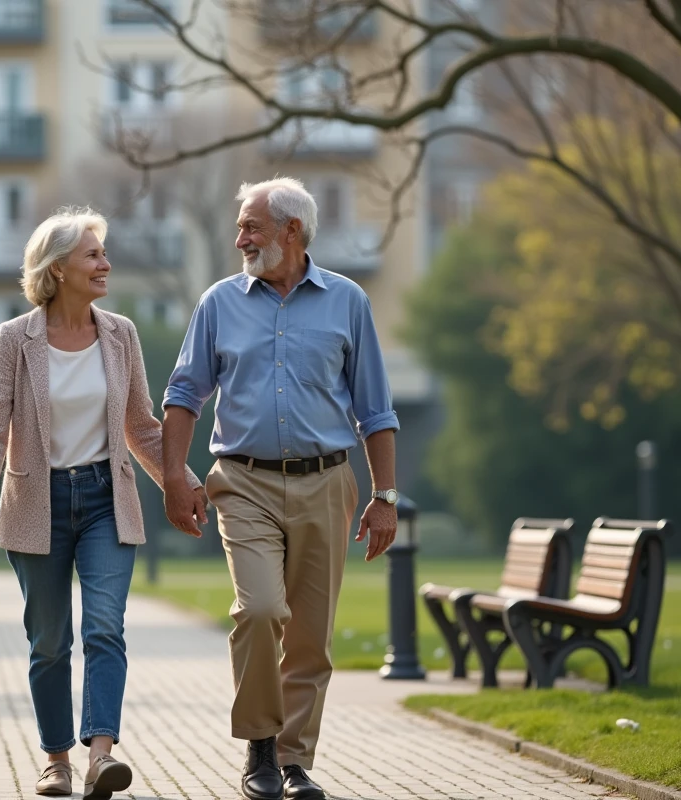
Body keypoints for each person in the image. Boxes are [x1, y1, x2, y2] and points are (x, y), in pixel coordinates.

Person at [162, 178, 400, 800]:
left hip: (327, 483)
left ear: (292, 231)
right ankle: (260, 748)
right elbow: (183, 394)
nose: (239, 238)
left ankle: (294, 763)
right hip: (242, 483)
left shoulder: (348, 301)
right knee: (261, 610)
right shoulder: (219, 302)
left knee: (311, 636)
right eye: (242, 227)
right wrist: (173, 477)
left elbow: (376, 408)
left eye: (251, 227)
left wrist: (385, 496)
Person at [0, 207, 205, 800]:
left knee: (106, 628)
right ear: (58, 269)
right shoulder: (14, 339)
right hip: (35, 502)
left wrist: (182, 481)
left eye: (103, 253)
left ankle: (100, 756)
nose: (105, 263)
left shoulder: (120, 333)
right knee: (49, 642)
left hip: (105, 498)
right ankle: (56, 761)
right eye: (93, 255)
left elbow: (142, 427)